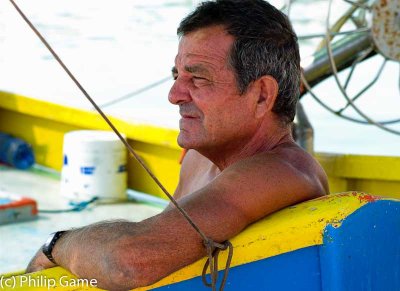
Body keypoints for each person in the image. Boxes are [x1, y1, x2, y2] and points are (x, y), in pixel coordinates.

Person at [26, 1, 329, 290]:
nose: (174, 95)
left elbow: (132, 261)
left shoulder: (281, 173)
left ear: (262, 95)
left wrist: (55, 246)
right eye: (176, 76)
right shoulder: (200, 156)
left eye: (197, 78)